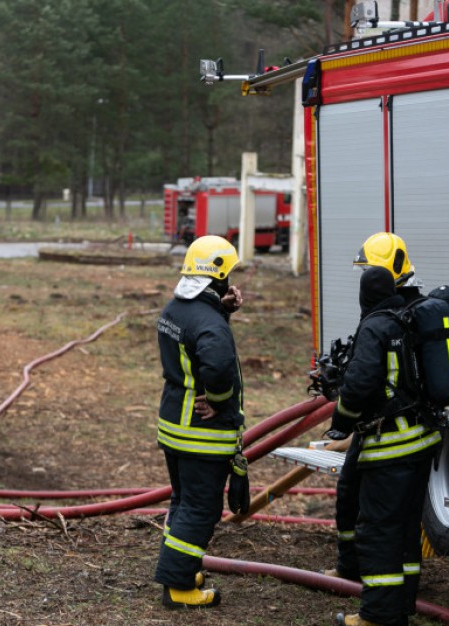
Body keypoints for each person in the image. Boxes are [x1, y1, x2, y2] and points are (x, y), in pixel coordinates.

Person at [325, 234, 444, 626]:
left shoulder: (377, 324)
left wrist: (340, 421)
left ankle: (377, 617)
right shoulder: (416, 312)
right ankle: (401, 605)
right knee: (405, 527)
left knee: (377, 529)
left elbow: (358, 386)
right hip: (422, 440)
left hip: (390, 445)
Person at [154, 235, 249, 609]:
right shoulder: (210, 324)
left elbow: (198, 333)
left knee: (183, 502)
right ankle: (178, 587)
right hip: (202, 435)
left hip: (174, 428)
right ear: (220, 275)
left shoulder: (175, 309)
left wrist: (220, 309)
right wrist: (221, 403)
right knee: (200, 509)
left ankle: (181, 566)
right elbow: (218, 366)